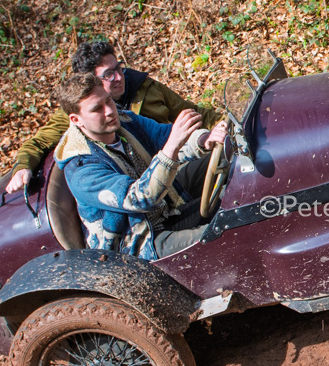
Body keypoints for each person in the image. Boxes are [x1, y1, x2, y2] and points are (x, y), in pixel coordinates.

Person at [54, 69, 228, 260]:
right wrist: (171, 148)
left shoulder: (125, 121)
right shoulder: (81, 169)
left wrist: (204, 139)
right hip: (137, 244)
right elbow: (139, 198)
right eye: (97, 109)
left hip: (165, 210)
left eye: (108, 100)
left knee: (235, 192)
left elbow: (164, 135)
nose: (110, 111)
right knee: (225, 232)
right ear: (76, 120)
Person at [6, 39, 222, 193]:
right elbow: (38, 143)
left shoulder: (143, 86)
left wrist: (222, 126)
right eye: (108, 74)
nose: (119, 77)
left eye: (119, 68)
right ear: (90, 82)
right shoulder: (77, 116)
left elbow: (190, 113)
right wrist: (22, 167)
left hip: (182, 159)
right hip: (142, 187)